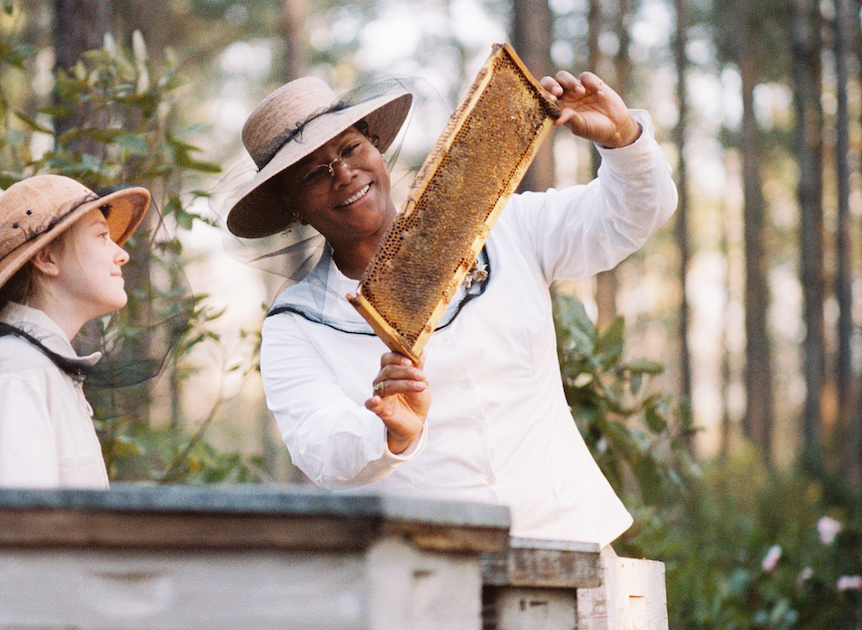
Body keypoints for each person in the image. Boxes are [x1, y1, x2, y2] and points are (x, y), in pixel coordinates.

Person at [223, 69, 677, 548]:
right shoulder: (294, 326)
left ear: (375, 147)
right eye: (315, 173)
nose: (343, 174)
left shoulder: (503, 225)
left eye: (350, 148)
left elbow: (629, 219)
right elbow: (318, 447)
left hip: (572, 538)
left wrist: (625, 140)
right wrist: (388, 430)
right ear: (292, 205)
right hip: (429, 569)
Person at [0, 174, 149, 489]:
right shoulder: (16, 370)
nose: (122, 254)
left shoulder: (31, 365)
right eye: (101, 236)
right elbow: (13, 529)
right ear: (47, 258)